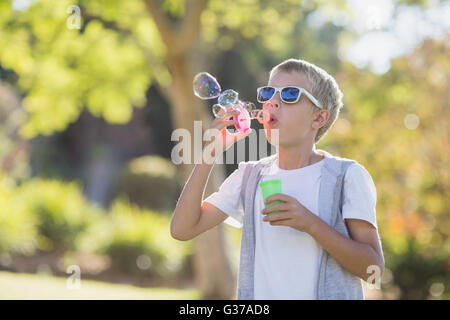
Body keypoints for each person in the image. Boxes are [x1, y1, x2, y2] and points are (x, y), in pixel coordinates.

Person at [170, 58, 384, 300]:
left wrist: (311, 224)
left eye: (290, 95)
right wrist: (211, 153)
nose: (273, 102)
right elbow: (182, 229)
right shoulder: (249, 176)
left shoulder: (346, 176)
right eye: (269, 93)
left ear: (319, 118)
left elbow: (373, 271)